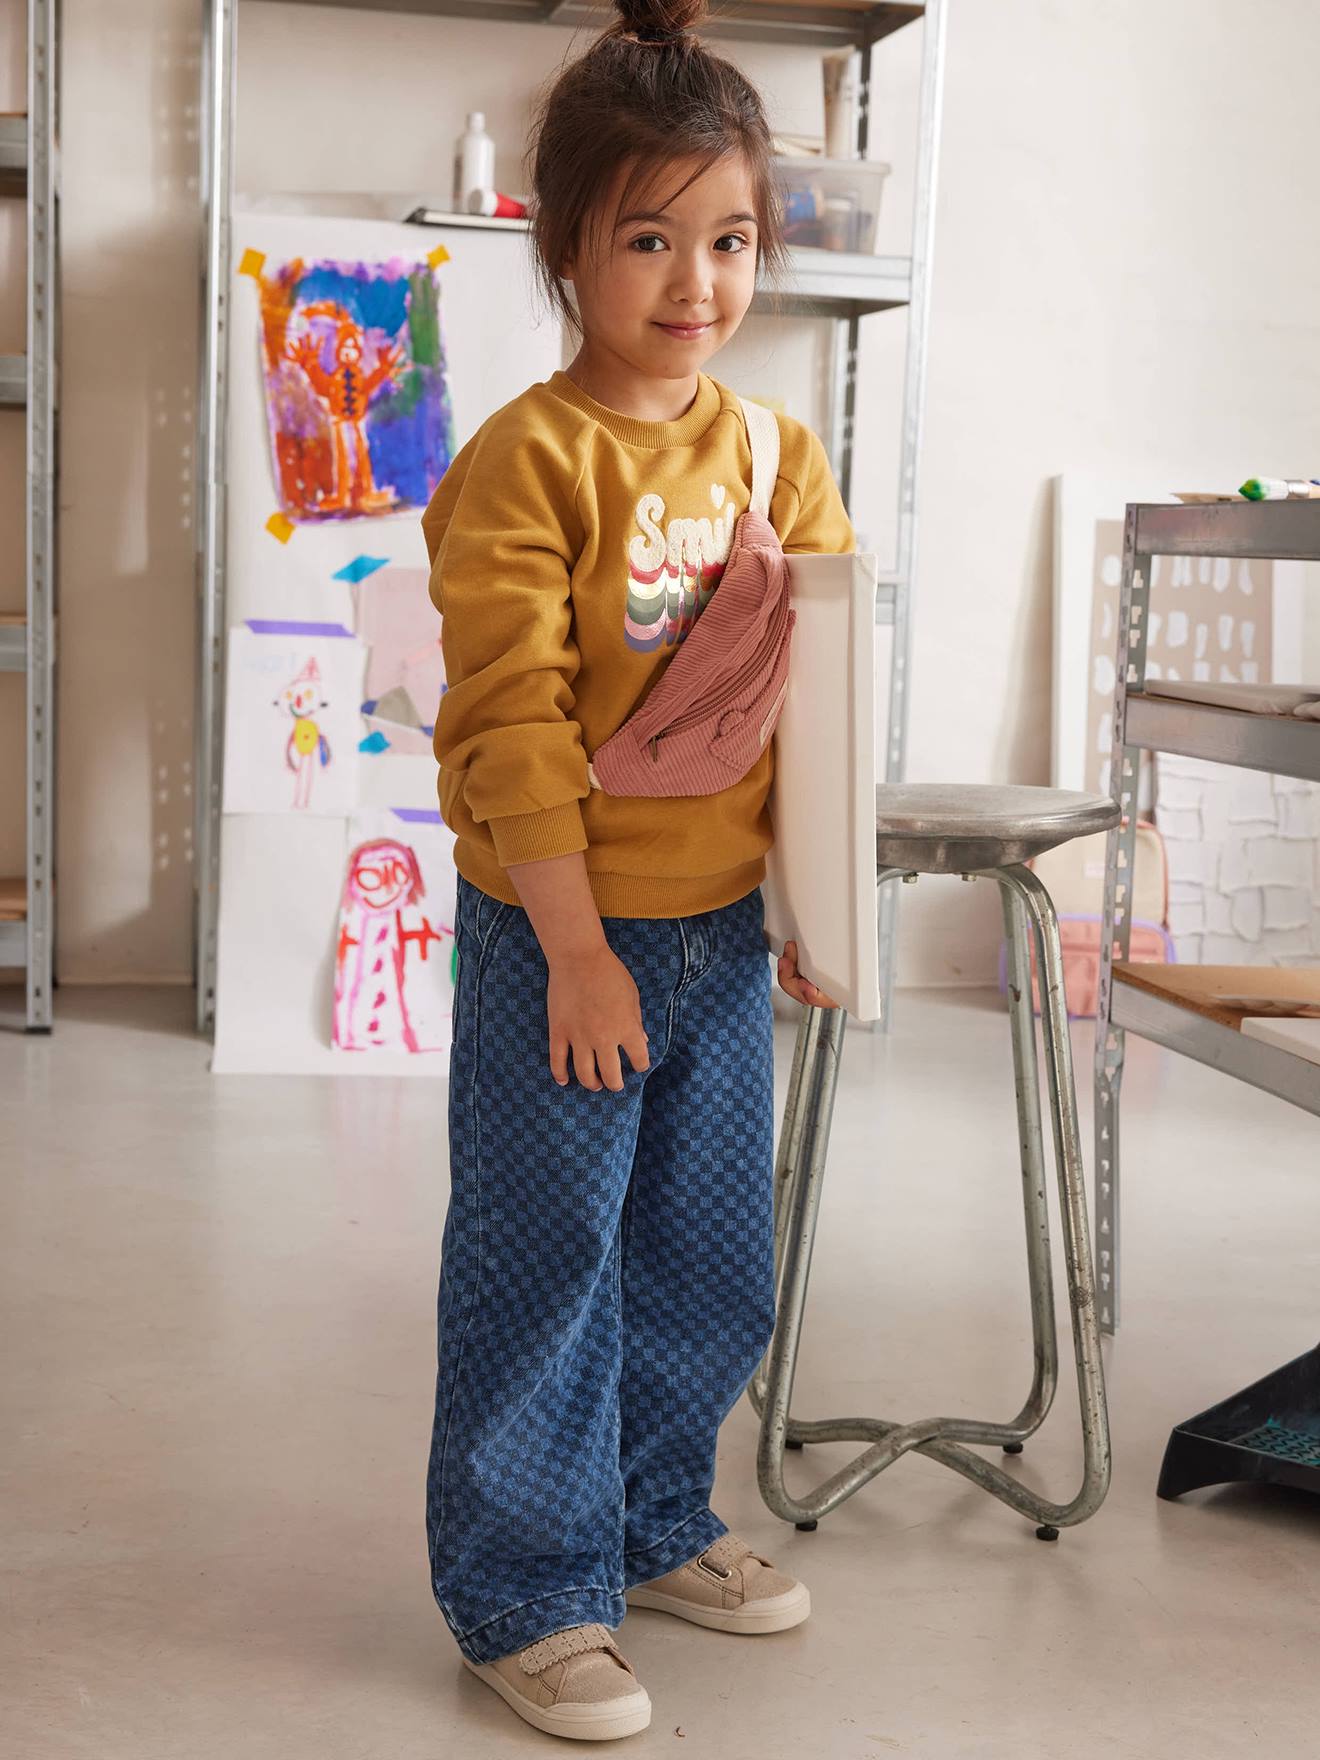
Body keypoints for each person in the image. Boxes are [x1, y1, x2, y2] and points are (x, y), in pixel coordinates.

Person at [422, 0, 854, 1737]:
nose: (697, 281)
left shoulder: (774, 453)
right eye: (651, 238)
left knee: (707, 1260)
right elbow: (511, 726)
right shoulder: (531, 460)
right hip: (560, 939)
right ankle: (525, 1590)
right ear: (567, 245)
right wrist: (579, 947)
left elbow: (819, 717)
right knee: (548, 1265)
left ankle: (652, 1520)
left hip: (721, 941)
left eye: (731, 238)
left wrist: (818, 915)